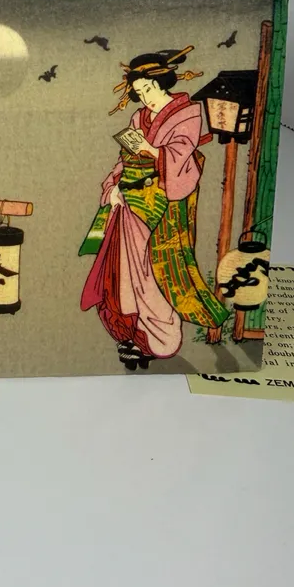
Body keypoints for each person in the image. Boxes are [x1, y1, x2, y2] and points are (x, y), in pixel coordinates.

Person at [80, 46, 230, 369]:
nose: (145, 97)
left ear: (161, 82)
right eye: (139, 92)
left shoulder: (187, 113)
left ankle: (160, 339)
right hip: (130, 206)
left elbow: (180, 159)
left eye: (148, 88)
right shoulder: (139, 117)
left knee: (155, 273)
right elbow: (124, 159)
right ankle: (131, 334)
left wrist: (151, 149)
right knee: (124, 273)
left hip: (163, 208)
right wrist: (112, 187)